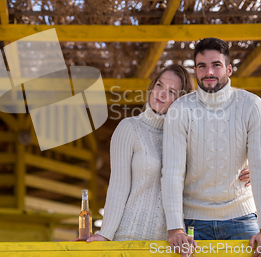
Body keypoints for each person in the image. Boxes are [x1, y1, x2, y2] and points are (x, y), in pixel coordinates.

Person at [75, 64, 250, 244]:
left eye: (172, 92)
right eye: (159, 85)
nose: (161, 94)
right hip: (129, 236)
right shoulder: (129, 128)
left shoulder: (189, 137)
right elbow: (118, 187)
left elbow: (214, 168)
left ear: (182, 100)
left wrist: (248, 168)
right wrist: (105, 234)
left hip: (171, 243)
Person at [161, 38, 261, 257]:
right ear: (195, 70)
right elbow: (172, 172)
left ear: (229, 69)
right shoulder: (180, 109)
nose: (209, 72)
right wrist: (175, 227)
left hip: (242, 219)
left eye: (216, 65)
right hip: (193, 223)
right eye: (202, 66)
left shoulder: (251, 105)